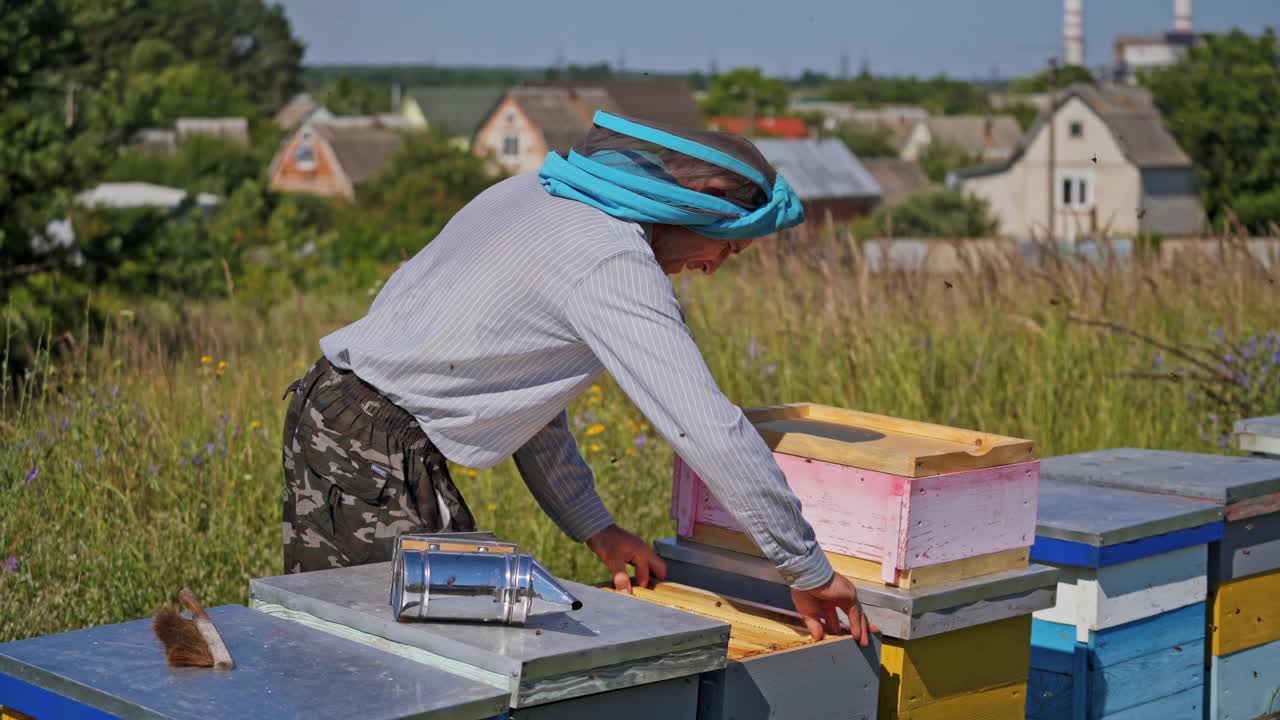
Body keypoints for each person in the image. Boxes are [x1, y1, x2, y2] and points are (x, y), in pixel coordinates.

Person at [280, 111, 878, 645]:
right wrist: (807, 571)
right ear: (707, 198)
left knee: (352, 641)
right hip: (371, 451)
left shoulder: (535, 193)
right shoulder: (612, 259)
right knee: (417, 658)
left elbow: (527, 405)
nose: (714, 266)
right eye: (728, 247)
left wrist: (597, 528)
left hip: (333, 415)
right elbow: (709, 430)